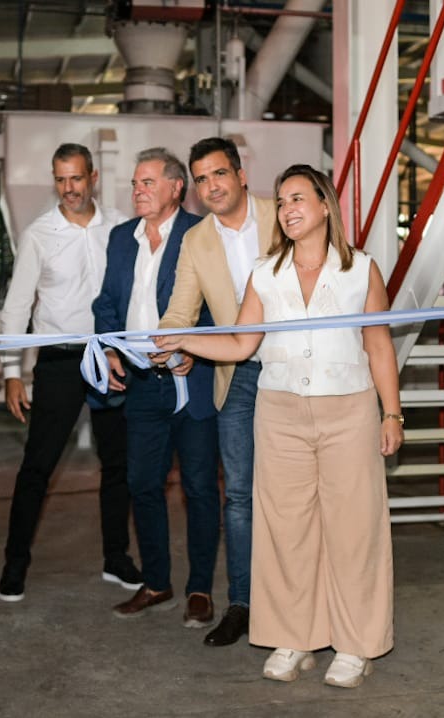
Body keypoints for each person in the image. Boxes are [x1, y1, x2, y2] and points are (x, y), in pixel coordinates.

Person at [153, 163, 401, 689]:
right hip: (280, 414)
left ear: (325, 204)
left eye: (297, 199)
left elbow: (379, 345)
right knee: (286, 530)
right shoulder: (265, 272)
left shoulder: (362, 270)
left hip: (349, 410)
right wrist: (182, 340)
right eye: (282, 201)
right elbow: (242, 345)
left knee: (354, 530)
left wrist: (392, 412)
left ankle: (356, 645)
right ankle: (296, 637)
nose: (288, 209)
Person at [0, 143, 136, 602]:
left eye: (76, 178)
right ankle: (14, 565)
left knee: (118, 464)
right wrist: (12, 371)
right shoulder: (39, 233)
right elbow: (17, 306)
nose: (69, 188)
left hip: (112, 356)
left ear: (92, 176)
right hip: (58, 359)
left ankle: (116, 559)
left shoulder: (119, 226)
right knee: (37, 466)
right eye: (60, 179)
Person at [155, 137, 277, 646]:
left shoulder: (283, 213)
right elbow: (181, 310)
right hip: (240, 373)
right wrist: (167, 343)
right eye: (201, 179)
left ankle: (299, 603)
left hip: (299, 369)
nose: (211, 187)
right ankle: (243, 604)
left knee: (297, 492)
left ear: (241, 173)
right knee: (242, 496)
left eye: (219, 174)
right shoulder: (196, 240)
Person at [93, 147, 219, 622]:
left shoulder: (202, 234)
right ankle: (157, 581)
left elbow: (217, 305)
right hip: (141, 382)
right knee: (143, 483)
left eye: (147, 183)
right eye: (134, 183)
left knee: (200, 486)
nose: (137, 191)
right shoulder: (122, 237)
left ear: (175, 187)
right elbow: (107, 302)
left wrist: (193, 348)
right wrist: (107, 348)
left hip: (192, 379)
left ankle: (201, 589)